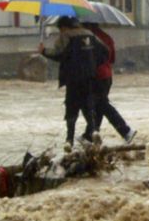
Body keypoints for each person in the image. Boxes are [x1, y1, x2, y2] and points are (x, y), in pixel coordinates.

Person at [38, 16, 109, 147]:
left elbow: (58, 54)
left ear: (64, 27)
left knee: (71, 108)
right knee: (88, 106)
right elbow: (105, 51)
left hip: (73, 78)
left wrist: (44, 51)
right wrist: (92, 64)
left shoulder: (66, 36)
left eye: (60, 29)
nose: (60, 32)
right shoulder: (89, 34)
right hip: (89, 78)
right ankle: (94, 131)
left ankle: (69, 140)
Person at [81, 22, 137, 144]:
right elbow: (112, 59)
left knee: (102, 105)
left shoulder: (89, 39)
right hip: (107, 76)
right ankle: (90, 135)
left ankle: (126, 131)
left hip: (97, 77)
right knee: (99, 106)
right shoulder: (106, 37)